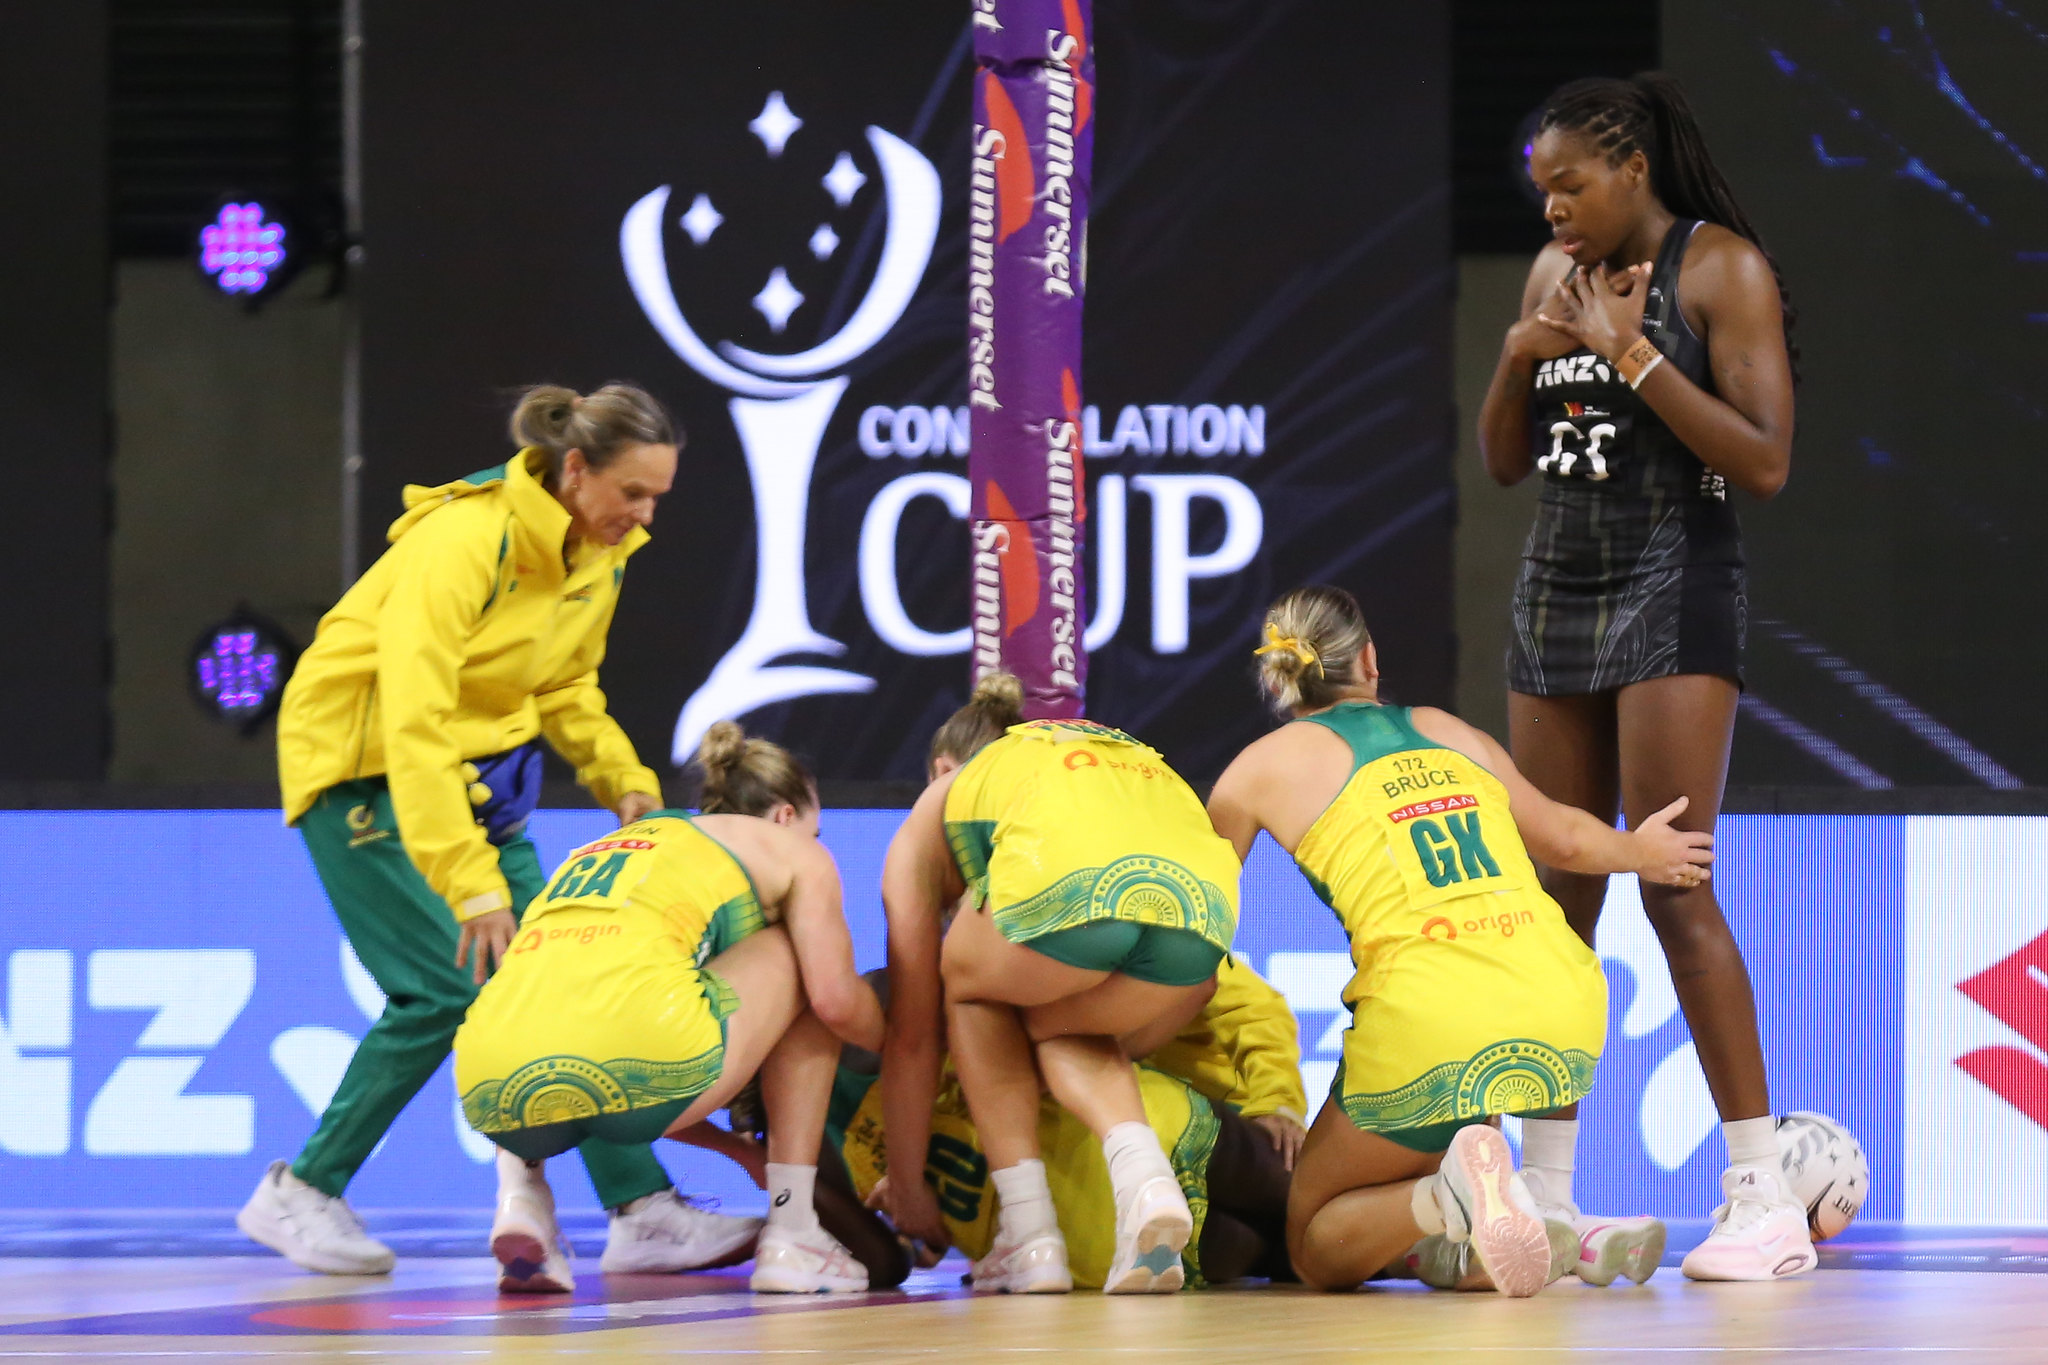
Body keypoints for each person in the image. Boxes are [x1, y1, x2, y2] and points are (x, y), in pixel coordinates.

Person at [240, 384, 755, 1277]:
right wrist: (470, 880)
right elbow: (413, 716)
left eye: (657, 500)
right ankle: (303, 1189)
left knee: (565, 986)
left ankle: (642, 1211)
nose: (644, 518)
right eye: (633, 494)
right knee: (445, 990)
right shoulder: (463, 540)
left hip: (477, 775)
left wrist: (623, 783)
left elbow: (563, 685)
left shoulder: (603, 549)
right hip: (362, 764)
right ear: (577, 468)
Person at [1475, 73, 1811, 1281]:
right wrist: (1520, 356)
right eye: (1539, 190)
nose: (1554, 207)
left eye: (1571, 184)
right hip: (1553, 589)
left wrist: (1630, 356)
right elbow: (1506, 464)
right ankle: (1550, 1203)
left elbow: (1764, 461)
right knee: (1557, 890)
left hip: (1673, 587)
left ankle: (1759, 1196)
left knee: (1671, 883)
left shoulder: (1719, 269)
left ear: (1629, 169)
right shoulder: (1545, 276)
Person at [1205, 586, 1715, 1296]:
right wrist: (1643, 851)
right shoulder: (1448, 729)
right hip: (1558, 1002)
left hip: (1434, 1017)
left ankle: (1452, 1195)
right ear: (1371, 662)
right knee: (1434, 1187)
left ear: (1284, 680)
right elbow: (1566, 835)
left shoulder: (1255, 768)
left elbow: (1196, 915)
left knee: (1317, 1236)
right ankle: (1558, 1232)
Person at [453, 722, 886, 1293]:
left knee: (563, 998)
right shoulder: (789, 851)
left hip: (490, 1087)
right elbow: (833, 1001)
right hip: (645, 1065)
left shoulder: (608, 848)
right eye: (817, 829)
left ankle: (522, 1196)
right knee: (804, 959)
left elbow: (600, 1058)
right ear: (785, 817)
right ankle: (793, 1229)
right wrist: (906, 1048)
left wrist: (735, 1150)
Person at [878, 674, 1241, 1294]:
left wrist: (908, 1184)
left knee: (967, 989)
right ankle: (1144, 1181)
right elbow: (1203, 990)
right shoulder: (1059, 759)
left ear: (941, 768)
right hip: (1204, 911)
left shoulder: (937, 806)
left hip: (1073, 886)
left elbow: (913, 1036)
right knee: (1065, 1017)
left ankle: (1030, 1236)